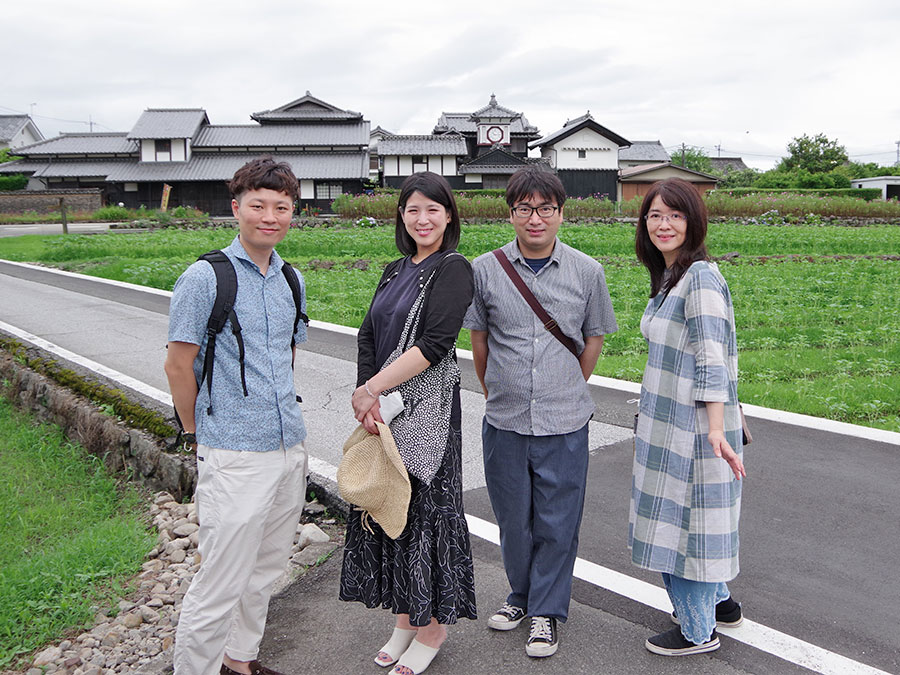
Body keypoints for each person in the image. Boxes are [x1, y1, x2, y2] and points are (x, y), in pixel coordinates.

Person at [463, 168, 617, 658]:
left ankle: (547, 612)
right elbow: (480, 342)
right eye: (524, 209)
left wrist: (568, 385)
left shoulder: (587, 272)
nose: (535, 218)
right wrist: (496, 390)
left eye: (545, 209)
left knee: (557, 520)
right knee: (513, 519)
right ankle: (521, 596)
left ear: (560, 214)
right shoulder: (484, 269)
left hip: (565, 420)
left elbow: (593, 340)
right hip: (504, 418)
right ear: (510, 213)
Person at [165, 157, 308, 675]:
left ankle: (239, 660)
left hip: (288, 444)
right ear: (236, 208)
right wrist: (196, 432)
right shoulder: (205, 277)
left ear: (293, 213)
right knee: (220, 579)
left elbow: (287, 356)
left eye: (281, 207)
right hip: (233, 451)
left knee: (266, 567)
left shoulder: (291, 279)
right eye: (258, 205)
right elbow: (178, 364)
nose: (269, 216)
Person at [340, 171, 476, 675]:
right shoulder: (394, 269)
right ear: (401, 215)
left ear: (448, 216)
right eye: (413, 209)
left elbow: (435, 345)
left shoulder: (454, 268)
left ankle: (433, 627)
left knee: (426, 512)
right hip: (385, 410)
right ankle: (405, 618)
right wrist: (366, 398)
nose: (423, 219)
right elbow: (367, 336)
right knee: (391, 506)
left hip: (428, 410)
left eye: (433, 210)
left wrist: (375, 389)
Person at [629, 177, 747, 657]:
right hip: (670, 422)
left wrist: (718, 427)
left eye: (675, 215)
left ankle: (699, 631)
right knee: (697, 520)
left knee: (683, 525)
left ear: (693, 222)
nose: (663, 224)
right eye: (655, 215)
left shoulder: (698, 277)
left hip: (691, 430)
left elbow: (712, 356)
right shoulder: (673, 276)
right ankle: (719, 602)